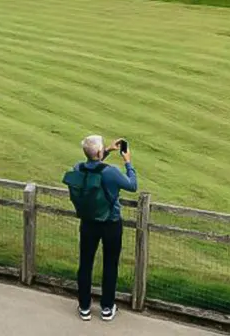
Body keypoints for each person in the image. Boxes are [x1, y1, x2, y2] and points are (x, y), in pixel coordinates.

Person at [63, 135, 137, 322]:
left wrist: (108, 150)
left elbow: (92, 166)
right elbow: (132, 185)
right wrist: (128, 163)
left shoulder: (78, 167)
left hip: (88, 222)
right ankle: (106, 307)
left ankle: (85, 306)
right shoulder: (111, 172)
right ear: (98, 151)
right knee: (110, 264)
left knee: (85, 263)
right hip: (111, 223)